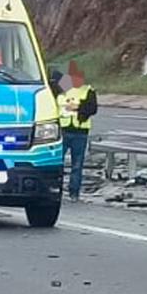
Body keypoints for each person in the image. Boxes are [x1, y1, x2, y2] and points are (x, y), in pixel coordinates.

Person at [57, 64, 98, 202]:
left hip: (80, 131)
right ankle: (56, 190)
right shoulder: (61, 88)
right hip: (63, 130)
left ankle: (74, 192)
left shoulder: (87, 90)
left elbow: (92, 108)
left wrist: (78, 107)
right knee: (57, 163)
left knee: (77, 165)